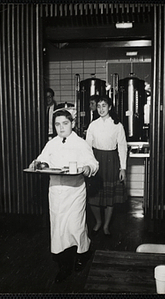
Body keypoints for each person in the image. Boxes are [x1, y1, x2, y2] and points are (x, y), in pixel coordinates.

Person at [29, 108, 99, 283]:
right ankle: (63, 266)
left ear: (72, 124)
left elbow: (93, 162)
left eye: (65, 124)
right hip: (56, 192)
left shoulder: (81, 143)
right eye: (57, 124)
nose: (61, 128)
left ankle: (83, 254)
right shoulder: (51, 143)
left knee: (76, 227)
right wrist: (37, 163)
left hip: (75, 192)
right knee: (59, 230)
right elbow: (42, 159)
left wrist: (88, 168)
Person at [86, 96, 127, 237]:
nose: (101, 109)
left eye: (104, 106)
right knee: (93, 196)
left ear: (110, 107)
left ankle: (106, 225)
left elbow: (122, 147)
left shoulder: (117, 125)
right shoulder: (93, 125)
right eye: (98, 106)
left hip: (111, 161)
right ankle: (98, 222)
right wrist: (87, 164)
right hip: (95, 161)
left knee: (110, 197)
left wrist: (123, 168)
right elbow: (87, 147)